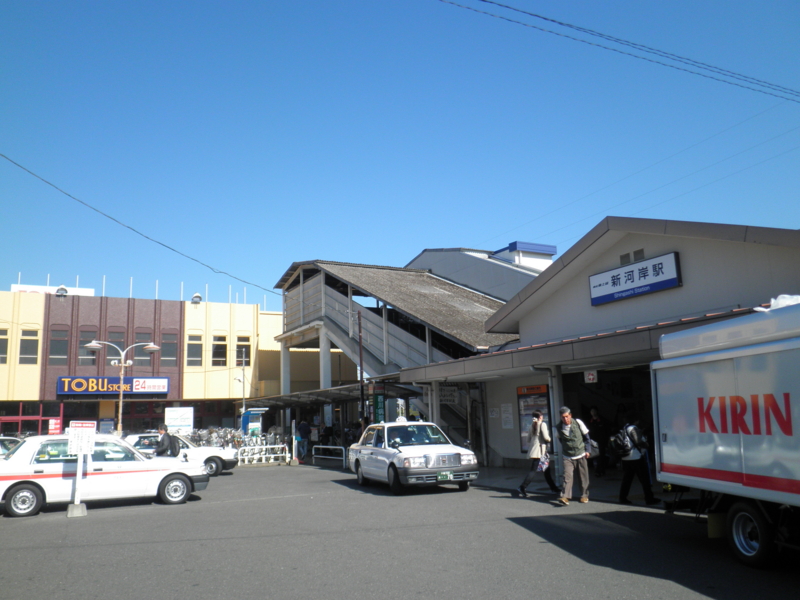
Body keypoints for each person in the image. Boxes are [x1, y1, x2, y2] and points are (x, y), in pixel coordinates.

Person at [619, 413, 661, 506]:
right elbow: (638, 441)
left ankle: (622, 497)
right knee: (644, 479)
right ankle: (649, 498)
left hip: (626, 457)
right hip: (636, 456)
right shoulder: (633, 428)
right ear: (635, 420)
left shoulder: (625, 428)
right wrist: (647, 445)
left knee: (627, 479)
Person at [516, 411, 559, 497]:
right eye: (542, 415)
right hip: (540, 451)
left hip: (535, 451)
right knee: (534, 470)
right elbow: (547, 438)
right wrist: (550, 439)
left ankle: (553, 488)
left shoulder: (532, 425)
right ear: (540, 417)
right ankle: (522, 487)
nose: (542, 417)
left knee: (546, 470)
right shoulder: (542, 424)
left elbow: (528, 439)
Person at [556, 406, 591, 505]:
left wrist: (587, 450)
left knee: (583, 476)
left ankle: (584, 495)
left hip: (580, 454)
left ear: (570, 415)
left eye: (567, 416)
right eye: (563, 417)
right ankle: (565, 496)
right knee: (567, 476)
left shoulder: (578, 422)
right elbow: (560, 439)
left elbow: (587, 437)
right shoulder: (558, 427)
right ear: (560, 417)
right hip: (567, 456)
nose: (565, 419)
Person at [587, 406, 608, 476]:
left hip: (601, 440)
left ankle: (600, 470)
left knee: (601, 455)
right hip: (592, 441)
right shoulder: (590, 421)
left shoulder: (602, 420)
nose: (593, 412)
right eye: (592, 411)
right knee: (594, 455)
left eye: (594, 411)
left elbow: (606, 430)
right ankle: (598, 469)